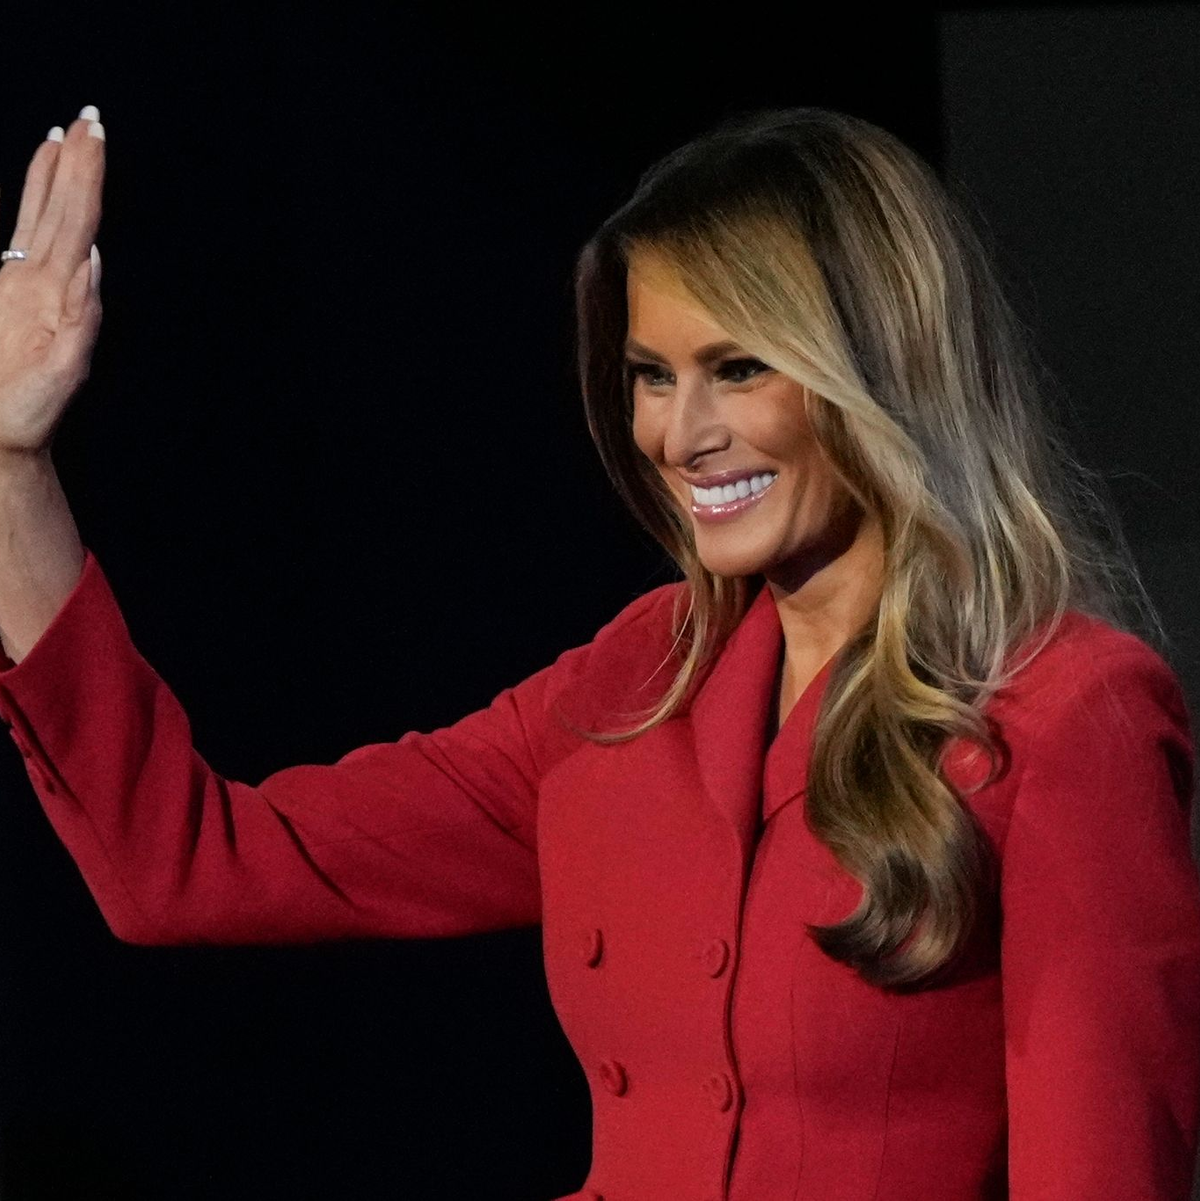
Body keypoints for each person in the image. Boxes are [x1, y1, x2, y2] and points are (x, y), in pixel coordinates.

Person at [0, 102, 1196, 1200]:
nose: (683, 434)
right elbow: (192, 867)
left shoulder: (1063, 714)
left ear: (878, 371)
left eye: (738, 368)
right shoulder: (635, 684)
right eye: (650, 377)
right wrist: (13, 467)